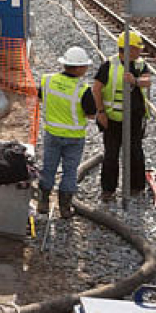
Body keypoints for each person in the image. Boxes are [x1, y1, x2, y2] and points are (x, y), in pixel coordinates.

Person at [38, 46, 97, 218]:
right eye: (85, 66)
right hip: (74, 138)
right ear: (78, 67)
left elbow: (41, 97)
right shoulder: (83, 89)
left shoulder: (47, 80)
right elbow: (91, 114)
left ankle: (43, 202)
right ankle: (64, 208)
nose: (86, 69)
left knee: (48, 167)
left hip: (52, 134)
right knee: (70, 171)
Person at [92, 31, 151, 202]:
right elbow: (96, 89)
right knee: (111, 154)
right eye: (137, 48)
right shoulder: (109, 65)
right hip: (112, 120)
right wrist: (101, 112)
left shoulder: (139, 65)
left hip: (134, 118)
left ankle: (136, 187)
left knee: (135, 152)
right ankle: (108, 190)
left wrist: (136, 81)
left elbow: (147, 81)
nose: (140, 52)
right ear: (127, 48)